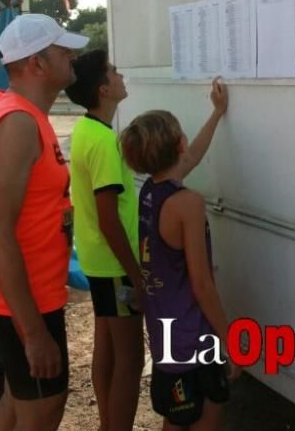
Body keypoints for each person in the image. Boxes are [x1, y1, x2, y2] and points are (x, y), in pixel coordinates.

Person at [0, 13, 87, 431]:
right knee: (42, 410)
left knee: (20, 401)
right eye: (62, 50)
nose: (72, 55)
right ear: (37, 63)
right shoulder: (17, 123)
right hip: (24, 302)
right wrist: (34, 333)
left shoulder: (27, 116)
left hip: (31, 294)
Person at [119, 80, 239, 431]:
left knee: (176, 417)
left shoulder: (152, 193)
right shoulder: (188, 204)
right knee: (206, 416)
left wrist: (217, 114)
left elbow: (191, 158)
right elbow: (201, 284)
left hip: (165, 339)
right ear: (178, 144)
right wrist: (230, 340)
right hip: (195, 340)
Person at [63, 50, 143, 431]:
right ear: (103, 88)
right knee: (131, 357)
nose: (121, 74)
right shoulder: (105, 144)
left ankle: (107, 423)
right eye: (114, 70)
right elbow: (109, 218)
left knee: (107, 348)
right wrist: (137, 277)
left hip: (97, 260)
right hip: (115, 265)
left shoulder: (86, 130)